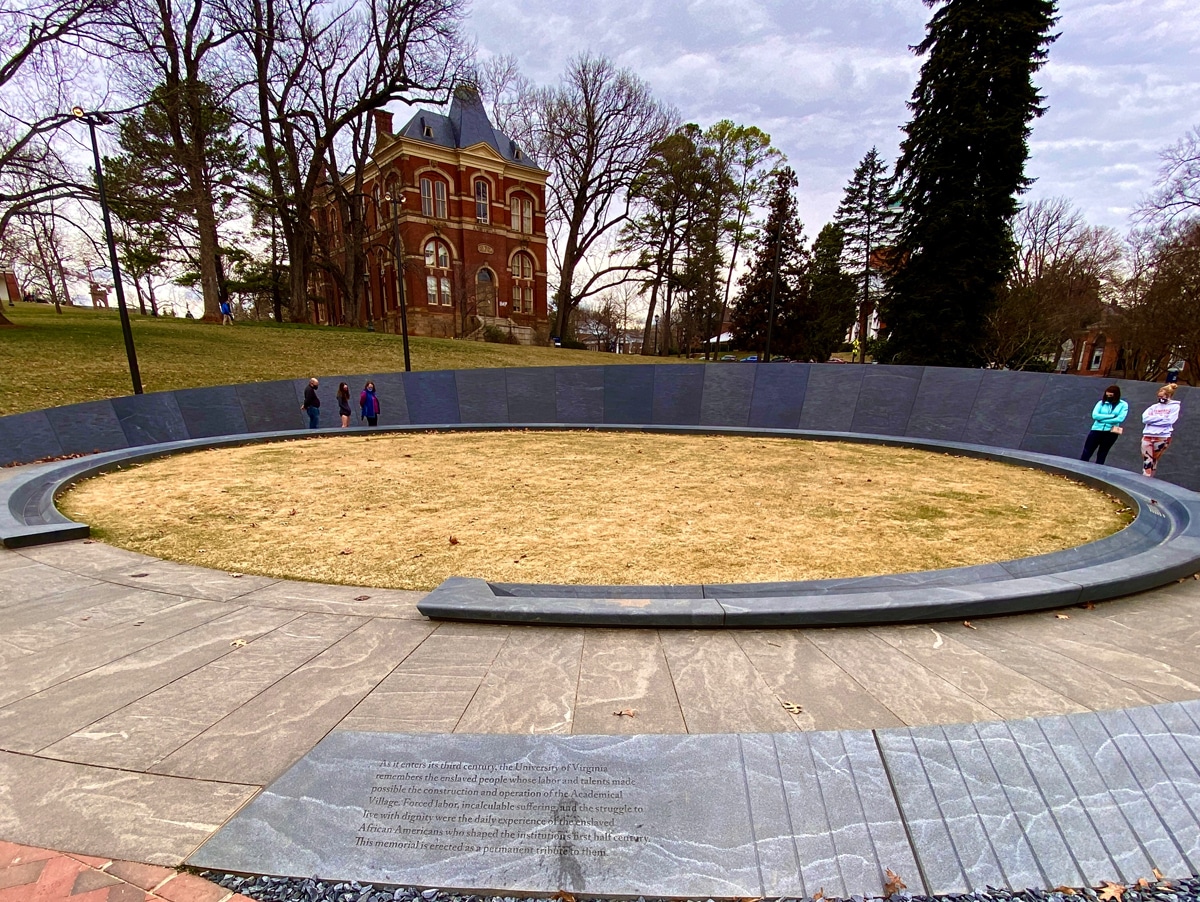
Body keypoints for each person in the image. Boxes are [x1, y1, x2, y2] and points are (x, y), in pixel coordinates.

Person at [1080, 384, 1128, 465]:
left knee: (1103, 452)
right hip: (1096, 429)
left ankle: (1098, 470)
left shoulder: (1123, 405)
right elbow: (1095, 415)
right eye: (1107, 395)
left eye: (1111, 395)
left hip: (1111, 431)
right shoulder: (1101, 403)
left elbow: (1120, 418)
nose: (1108, 397)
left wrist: (1102, 419)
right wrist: (1111, 416)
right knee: (1087, 450)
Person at [1141, 383, 1181, 477]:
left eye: (1162, 396)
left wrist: (1153, 419)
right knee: (1147, 458)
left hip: (1162, 436)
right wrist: (1161, 417)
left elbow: (1170, 420)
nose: (1160, 398)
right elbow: (1145, 419)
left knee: (1154, 459)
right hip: (1148, 435)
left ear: (1169, 395)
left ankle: (1150, 478)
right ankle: (1145, 476)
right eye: (1159, 396)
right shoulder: (1153, 407)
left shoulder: (1175, 407)